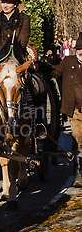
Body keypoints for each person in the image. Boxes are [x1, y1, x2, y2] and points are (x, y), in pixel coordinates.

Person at [38, 31, 82, 187]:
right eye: (78, 49)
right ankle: (78, 173)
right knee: (77, 140)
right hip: (74, 109)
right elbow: (54, 72)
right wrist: (38, 65)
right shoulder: (69, 61)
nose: (80, 52)